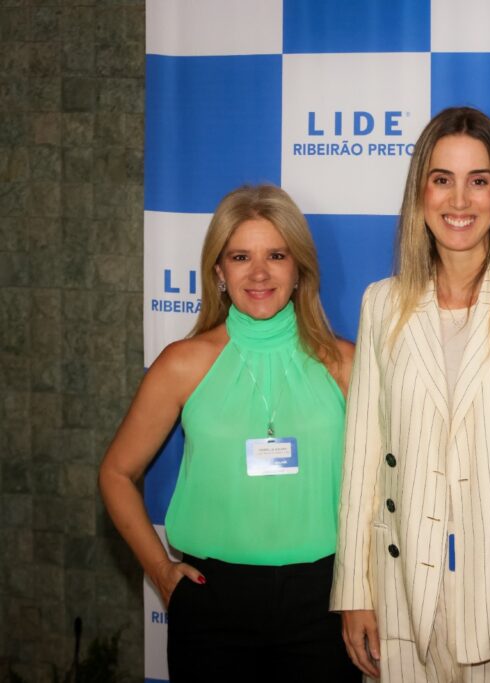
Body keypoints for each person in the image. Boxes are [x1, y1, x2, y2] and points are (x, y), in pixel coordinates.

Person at [331, 106, 490, 683]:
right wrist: (353, 588)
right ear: (420, 193)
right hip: (400, 595)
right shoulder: (384, 303)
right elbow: (364, 462)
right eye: (442, 179)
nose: (459, 201)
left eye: (479, 181)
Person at [98, 184, 360, 681]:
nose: (259, 273)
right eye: (241, 256)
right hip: (212, 608)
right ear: (219, 272)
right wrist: (160, 571)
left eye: (276, 255)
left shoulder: (346, 364)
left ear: (299, 268)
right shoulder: (182, 364)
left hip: (325, 604)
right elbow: (116, 472)